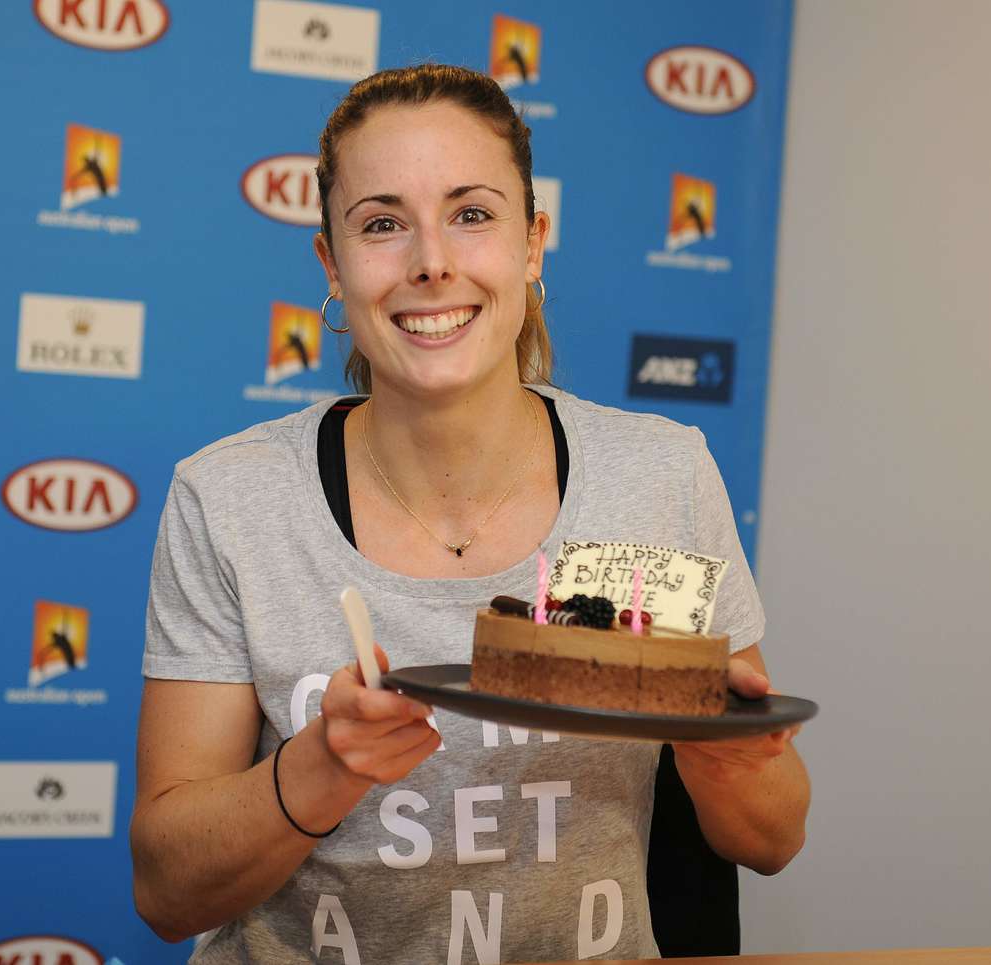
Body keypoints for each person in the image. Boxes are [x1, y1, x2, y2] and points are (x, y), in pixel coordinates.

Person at [131, 63, 809, 963]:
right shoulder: (231, 498)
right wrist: (319, 767)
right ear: (331, 265)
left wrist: (725, 755)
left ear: (532, 244)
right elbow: (167, 891)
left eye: (473, 214)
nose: (432, 262)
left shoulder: (658, 476)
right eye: (382, 225)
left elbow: (771, 838)